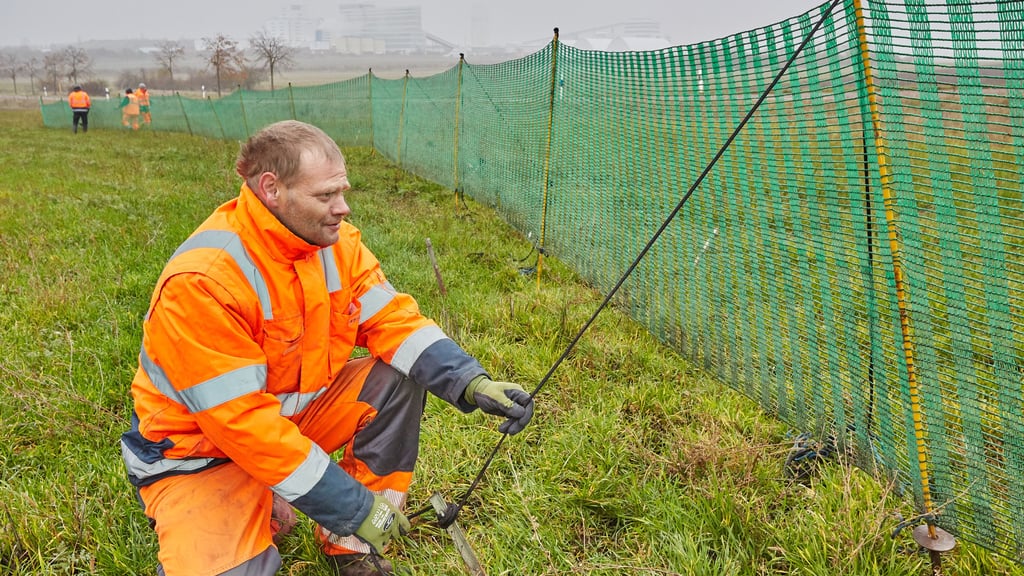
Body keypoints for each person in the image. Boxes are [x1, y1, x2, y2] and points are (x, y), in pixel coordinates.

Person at [120, 120, 535, 576]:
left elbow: (394, 321)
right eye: (326, 195)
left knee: (398, 377)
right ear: (271, 189)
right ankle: (264, 508)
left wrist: (471, 382)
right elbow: (241, 426)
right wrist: (355, 506)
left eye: (342, 191)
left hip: (285, 425)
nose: (343, 207)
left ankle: (351, 548)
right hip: (201, 455)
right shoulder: (203, 281)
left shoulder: (333, 243)